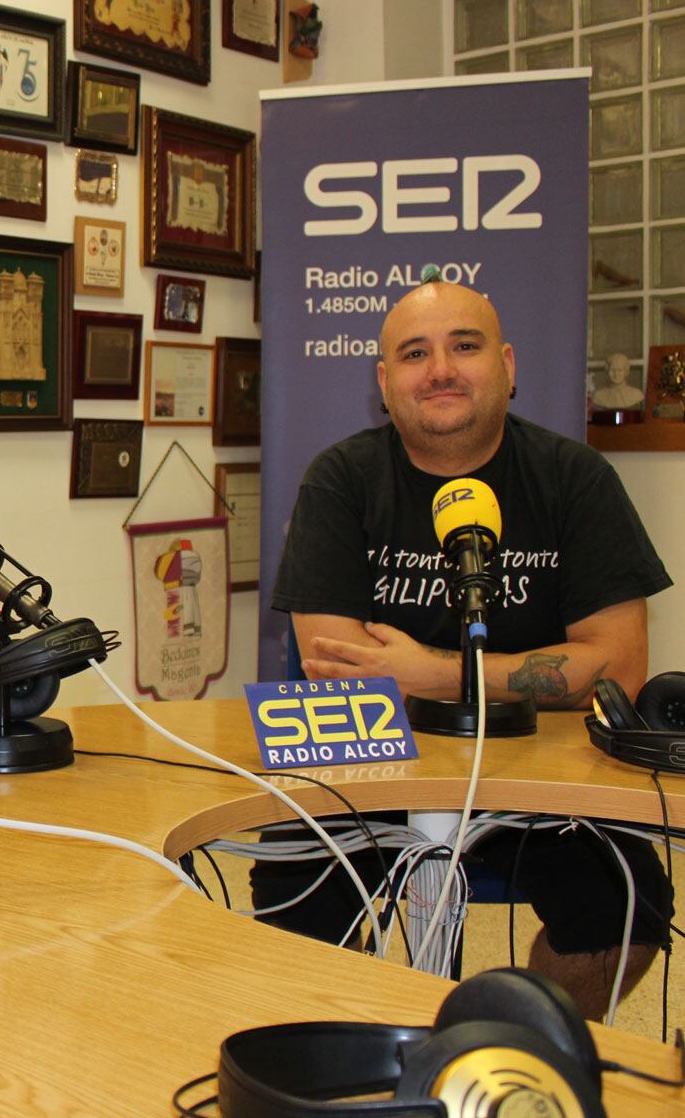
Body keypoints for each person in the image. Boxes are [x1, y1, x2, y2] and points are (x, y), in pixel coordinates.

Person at [270, 279, 673, 1018]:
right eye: (415, 353)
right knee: (280, 890)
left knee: (628, 903)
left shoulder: (574, 479)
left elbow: (618, 666)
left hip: (536, 777)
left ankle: (511, 1043)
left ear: (509, 365)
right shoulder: (342, 479)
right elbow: (336, 661)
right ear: (385, 381)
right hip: (375, 769)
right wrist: (532, 673)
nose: (442, 370)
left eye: (465, 346)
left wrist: (437, 673)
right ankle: (344, 1051)